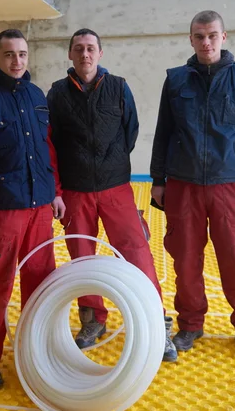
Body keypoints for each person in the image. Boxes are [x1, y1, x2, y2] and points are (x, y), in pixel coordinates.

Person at [150, 10, 235, 359]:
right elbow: (163, 133)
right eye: (199, 36)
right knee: (186, 259)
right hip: (183, 185)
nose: (206, 42)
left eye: (212, 35)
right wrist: (157, 180)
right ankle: (190, 325)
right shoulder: (175, 80)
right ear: (190, 39)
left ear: (224, 37)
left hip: (231, 184)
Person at [47, 28, 177, 362]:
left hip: (116, 188)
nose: (85, 54)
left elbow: (130, 132)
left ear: (100, 54)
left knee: (136, 251)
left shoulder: (119, 87)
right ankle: (92, 319)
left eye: (90, 48)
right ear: (70, 55)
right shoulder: (58, 94)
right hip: (76, 191)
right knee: (82, 257)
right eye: (78, 49)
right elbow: (53, 142)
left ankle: (155, 320)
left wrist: (110, 164)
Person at [0, 29, 66, 391]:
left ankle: (35, 348)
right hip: (2, 212)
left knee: (39, 282)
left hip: (39, 209)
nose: (16, 61)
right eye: (8, 55)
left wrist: (56, 192)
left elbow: (48, 150)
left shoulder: (37, 96)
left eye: (21, 54)